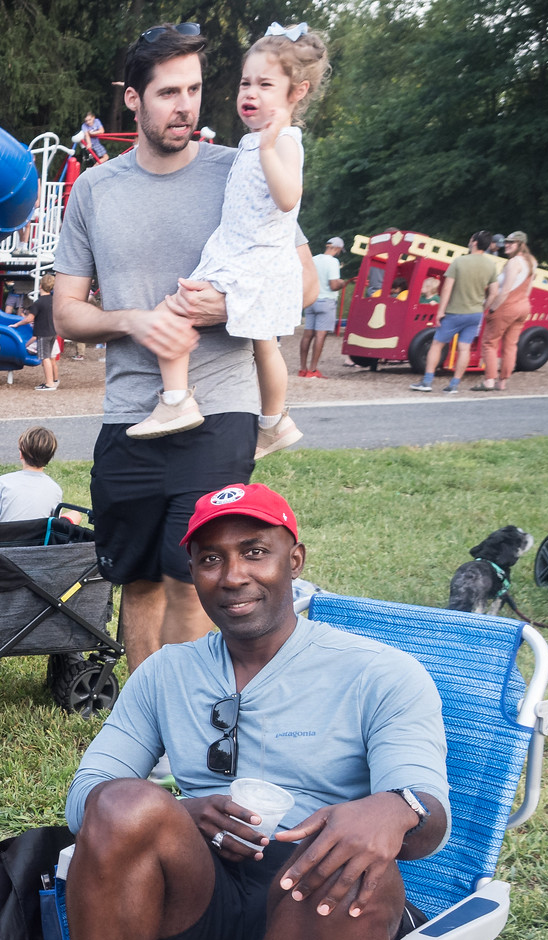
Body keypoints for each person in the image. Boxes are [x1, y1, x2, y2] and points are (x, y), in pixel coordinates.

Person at [58, 484, 449, 940]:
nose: (233, 574)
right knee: (121, 803)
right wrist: (180, 812)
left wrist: (392, 811)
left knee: (362, 866)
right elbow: (87, 795)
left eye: (254, 552)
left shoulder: (381, 673)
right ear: (194, 576)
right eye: (211, 558)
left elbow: (427, 810)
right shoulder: (168, 673)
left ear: (294, 560)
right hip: (188, 922)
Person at [52, 22, 319, 671]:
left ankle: (189, 726)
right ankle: (146, 717)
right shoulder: (95, 190)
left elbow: (305, 281)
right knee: (138, 581)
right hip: (132, 414)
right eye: (169, 92)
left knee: (195, 579)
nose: (187, 106)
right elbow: (66, 312)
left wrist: (231, 307)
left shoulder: (246, 166)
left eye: (195, 90)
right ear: (134, 99)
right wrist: (134, 322)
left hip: (219, 409)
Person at [128, 25, 329, 458]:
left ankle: (177, 401)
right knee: (264, 347)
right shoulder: (255, 142)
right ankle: (274, 421)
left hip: (246, 258)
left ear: (297, 92)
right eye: (245, 82)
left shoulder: (282, 143)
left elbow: (289, 196)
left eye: (265, 84)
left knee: (171, 312)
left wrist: (269, 147)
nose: (250, 92)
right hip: (250, 255)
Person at [410, 231, 499, 392]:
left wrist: (440, 311)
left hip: (454, 312)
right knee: (464, 348)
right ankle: (454, 385)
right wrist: (484, 308)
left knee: (437, 344)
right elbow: (493, 292)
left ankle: (427, 382)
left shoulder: (459, 262)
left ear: (475, 243)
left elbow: (447, 288)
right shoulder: (491, 265)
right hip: (475, 314)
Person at [476, 229, 534, 392]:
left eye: (511, 242)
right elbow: (528, 289)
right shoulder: (530, 262)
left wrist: (492, 308)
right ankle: (502, 383)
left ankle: (489, 381)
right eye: (506, 242)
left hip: (507, 305)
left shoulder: (514, 262)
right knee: (510, 346)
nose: (506, 245)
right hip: (523, 305)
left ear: (520, 245)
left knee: (489, 343)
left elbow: (505, 290)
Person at [0, 426, 70, 523]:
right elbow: (53, 526)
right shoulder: (55, 490)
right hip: (36, 538)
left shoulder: (3, 483)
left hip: (5, 537)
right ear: (50, 456)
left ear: (21, 454)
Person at [298, 234, 345, 377]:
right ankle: (312, 370)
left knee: (307, 335)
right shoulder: (333, 262)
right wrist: (342, 283)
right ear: (336, 248)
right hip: (326, 302)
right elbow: (333, 285)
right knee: (320, 335)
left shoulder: (314, 259)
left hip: (311, 300)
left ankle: (302, 368)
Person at [32, 272, 60, 390]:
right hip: (53, 331)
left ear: (40, 286)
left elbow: (30, 318)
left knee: (45, 357)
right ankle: (54, 380)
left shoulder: (38, 303)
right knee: (50, 357)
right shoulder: (54, 300)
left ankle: (49, 383)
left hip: (43, 333)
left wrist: (18, 323)